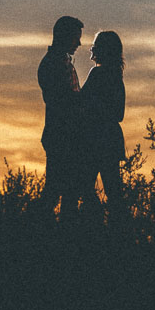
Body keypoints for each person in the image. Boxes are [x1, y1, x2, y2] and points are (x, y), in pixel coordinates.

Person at [37, 15, 90, 220]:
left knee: (66, 190)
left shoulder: (60, 62)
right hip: (62, 136)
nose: (79, 43)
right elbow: (64, 100)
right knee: (58, 191)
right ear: (65, 36)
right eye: (76, 37)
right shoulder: (53, 64)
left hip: (64, 135)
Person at [81, 30, 127, 223]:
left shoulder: (97, 73)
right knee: (113, 189)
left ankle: (95, 224)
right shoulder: (117, 76)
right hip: (112, 139)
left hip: (96, 140)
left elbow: (81, 103)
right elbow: (119, 114)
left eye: (96, 45)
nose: (92, 49)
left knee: (83, 186)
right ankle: (119, 227)